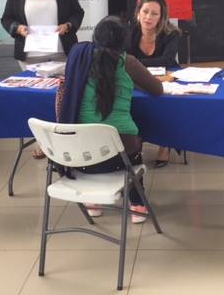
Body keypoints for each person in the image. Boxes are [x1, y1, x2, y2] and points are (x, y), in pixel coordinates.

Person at [58, 16, 163, 223]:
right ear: (124, 42)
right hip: (121, 153)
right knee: (130, 139)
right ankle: (137, 203)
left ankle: (93, 202)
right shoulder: (128, 62)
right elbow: (157, 90)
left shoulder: (79, 60)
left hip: (82, 153)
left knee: (95, 137)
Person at [1, 0, 84, 158]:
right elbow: (7, 19)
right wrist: (17, 29)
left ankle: (64, 138)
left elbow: (77, 12)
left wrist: (68, 26)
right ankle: (44, 143)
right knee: (37, 100)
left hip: (61, 53)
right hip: (30, 56)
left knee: (63, 98)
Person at [127, 0, 181, 168]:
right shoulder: (131, 31)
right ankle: (137, 138)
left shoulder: (172, 33)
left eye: (154, 14)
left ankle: (165, 143)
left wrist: (135, 63)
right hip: (137, 78)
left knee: (163, 101)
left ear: (162, 17)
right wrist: (136, 65)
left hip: (167, 77)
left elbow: (166, 60)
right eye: (145, 11)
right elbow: (125, 57)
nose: (148, 17)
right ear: (138, 13)